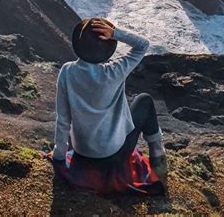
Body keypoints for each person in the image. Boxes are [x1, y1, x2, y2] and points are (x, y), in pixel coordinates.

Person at [52, 18, 167, 186]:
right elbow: (143, 45)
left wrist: (59, 156)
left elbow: (63, 119)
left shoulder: (67, 72)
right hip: (114, 155)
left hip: (82, 153)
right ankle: (157, 151)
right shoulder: (115, 71)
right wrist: (115, 33)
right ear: (107, 49)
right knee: (144, 101)